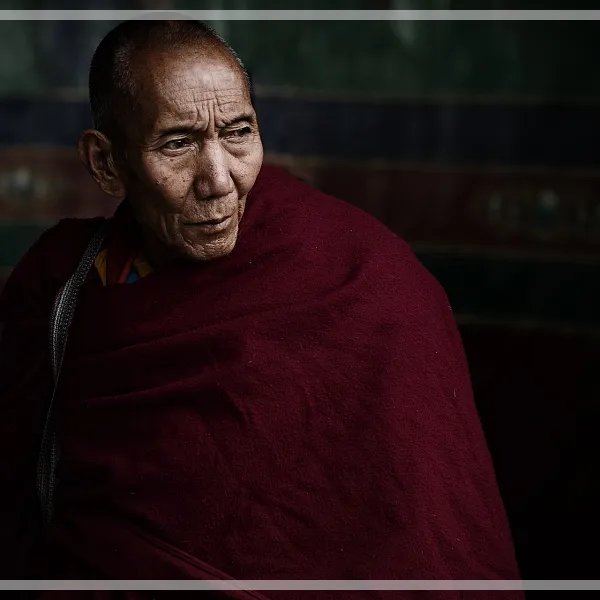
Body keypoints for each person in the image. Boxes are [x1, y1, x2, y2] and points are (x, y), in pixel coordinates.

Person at [0, 18, 523, 598]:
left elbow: (433, 534)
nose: (219, 181)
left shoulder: (365, 279)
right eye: (177, 144)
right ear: (105, 162)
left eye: (238, 133)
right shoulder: (63, 284)